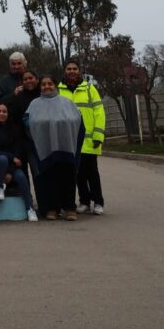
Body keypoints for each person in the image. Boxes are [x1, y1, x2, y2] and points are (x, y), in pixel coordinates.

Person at [24, 74, 84, 221]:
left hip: (66, 147)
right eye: (44, 84)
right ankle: (52, 208)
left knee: (68, 177)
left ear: (55, 85)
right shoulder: (34, 104)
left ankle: (69, 208)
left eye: (50, 84)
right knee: (49, 178)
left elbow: (77, 119)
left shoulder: (67, 102)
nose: (47, 87)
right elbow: (27, 121)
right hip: (46, 148)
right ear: (40, 87)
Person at [58, 59, 106, 214]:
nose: (72, 71)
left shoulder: (89, 89)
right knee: (77, 174)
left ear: (79, 71)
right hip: (70, 141)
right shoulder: (59, 90)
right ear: (65, 71)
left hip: (89, 140)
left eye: (74, 68)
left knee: (92, 173)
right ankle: (84, 201)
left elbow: (99, 112)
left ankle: (98, 202)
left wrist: (98, 135)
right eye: (69, 68)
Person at [0, 101, 38, 221]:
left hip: (11, 167)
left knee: (21, 177)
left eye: (4, 111)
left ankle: (30, 209)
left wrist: (9, 171)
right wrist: (11, 158)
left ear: (8, 114)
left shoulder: (14, 130)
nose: (1, 114)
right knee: (2, 159)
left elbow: (18, 152)